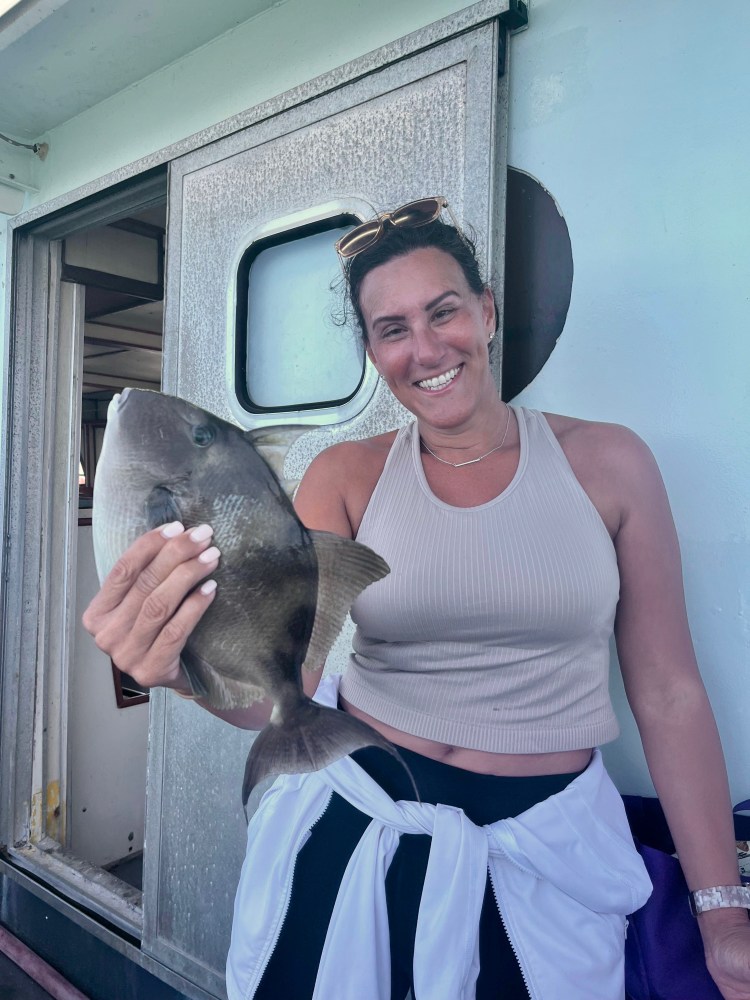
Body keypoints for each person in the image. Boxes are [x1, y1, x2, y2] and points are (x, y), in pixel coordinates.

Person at [83, 198, 750, 1000]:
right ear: (371, 348)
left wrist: (721, 913)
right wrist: (178, 675)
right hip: (361, 818)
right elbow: (280, 697)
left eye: (444, 312)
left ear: (487, 311)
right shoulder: (345, 475)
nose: (425, 348)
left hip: (546, 848)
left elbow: (670, 693)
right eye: (392, 329)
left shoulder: (610, 463)